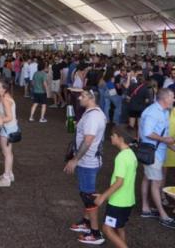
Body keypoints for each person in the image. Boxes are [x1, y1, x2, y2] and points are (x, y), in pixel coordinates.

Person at [65, 89, 108, 243]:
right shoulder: (93, 113)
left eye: (82, 96)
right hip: (89, 160)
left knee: (88, 196)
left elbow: (88, 140)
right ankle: (86, 221)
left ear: (91, 97)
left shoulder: (93, 116)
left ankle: (95, 233)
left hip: (88, 161)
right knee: (86, 192)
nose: (79, 98)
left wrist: (75, 159)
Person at [91, 127, 138, 248]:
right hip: (128, 200)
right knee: (119, 227)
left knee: (107, 229)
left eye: (113, 135)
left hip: (118, 202)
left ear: (120, 138)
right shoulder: (131, 154)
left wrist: (102, 197)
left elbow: (119, 182)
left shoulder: (121, 157)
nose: (110, 137)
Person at [138, 87, 175, 227]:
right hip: (153, 154)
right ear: (165, 98)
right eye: (172, 97)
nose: (173, 99)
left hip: (155, 152)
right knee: (156, 183)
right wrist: (166, 141)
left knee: (148, 179)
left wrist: (170, 146)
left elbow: (162, 136)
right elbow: (148, 133)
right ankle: (163, 215)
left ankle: (145, 208)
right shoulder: (154, 112)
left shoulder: (163, 111)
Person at [0, 79, 19, 187]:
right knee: (7, 151)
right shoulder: (1, 97)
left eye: (0, 87)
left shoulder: (5, 99)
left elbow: (10, 117)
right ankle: (9, 173)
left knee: (6, 152)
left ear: (5, 89)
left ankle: (6, 178)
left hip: (7, 129)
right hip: (8, 128)